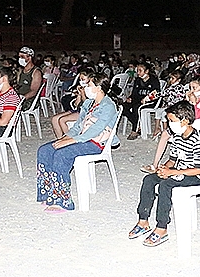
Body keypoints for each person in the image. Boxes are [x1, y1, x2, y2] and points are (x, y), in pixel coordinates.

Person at [128, 100, 200, 246]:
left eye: (171, 120)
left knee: (166, 185)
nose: (169, 123)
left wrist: (171, 173)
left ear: (184, 121)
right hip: (179, 171)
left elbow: (198, 169)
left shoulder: (198, 140)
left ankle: (162, 228)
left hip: (196, 176)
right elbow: (173, 159)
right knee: (149, 179)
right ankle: (143, 221)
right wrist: (164, 169)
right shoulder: (177, 136)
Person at [37, 73, 119, 214]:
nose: (85, 87)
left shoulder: (108, 106)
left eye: (89, 85)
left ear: (98, 88)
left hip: (96, 143)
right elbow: (77, 126)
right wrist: (64, 138)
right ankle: (48, 193)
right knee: (45, 150)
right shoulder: (89, 103)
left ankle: (63, 201)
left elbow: (95, 130)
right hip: (83, 139)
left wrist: (71, 141)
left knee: (62, 154)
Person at [123, 63, 161, 140]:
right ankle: (137, 123)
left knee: (136, 108)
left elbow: (156, 93)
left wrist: (147, 99)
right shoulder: (137, 80)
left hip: (151, 101)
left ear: (146, 71)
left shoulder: (154, 80)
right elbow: (134, 92)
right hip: (138, 100)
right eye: (137, 70)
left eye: (140, 70)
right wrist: (130, 98)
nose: (138, 72)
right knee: (124, 107)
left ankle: (135, 130)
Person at [51, 71, 91, 139]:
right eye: (80, 79)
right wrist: (79, 95)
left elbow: (86, 105)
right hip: (77, 110)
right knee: (54, 119)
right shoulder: (81, 88)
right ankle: (59, 138)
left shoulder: (91, 89)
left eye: (83, 79)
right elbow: (76, 105)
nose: (81, 81)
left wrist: (82, 94)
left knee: (62, 120)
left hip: (85, 112)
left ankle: (68, 140)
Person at [16, 46, 43, 111]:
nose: (20, 59)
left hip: (29, 100)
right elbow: (18, 85)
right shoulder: (21, 70)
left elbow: (34, 91)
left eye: (22, 57)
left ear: (29, 57)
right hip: (20, 96)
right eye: (19, 57)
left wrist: (22, 98)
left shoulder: (36, 72)